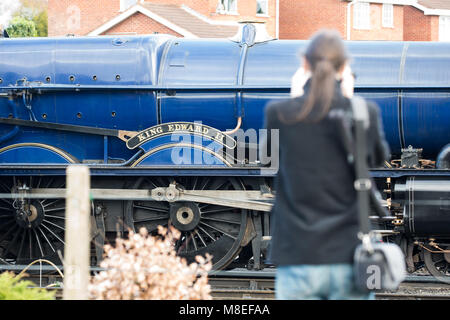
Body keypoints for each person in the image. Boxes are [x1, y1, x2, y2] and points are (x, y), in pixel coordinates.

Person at [263, 29, 390, 300]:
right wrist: (350, 99)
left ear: (304, 64)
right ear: (344, 67)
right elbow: (378, 159)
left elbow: (271, 159)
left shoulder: (278, 113)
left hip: (297, 254)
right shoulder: (364, 112)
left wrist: (295, 94)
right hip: (348, 254)